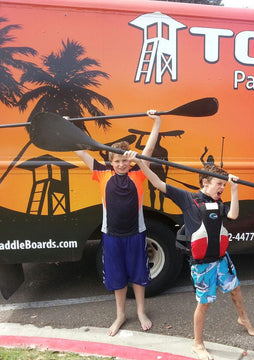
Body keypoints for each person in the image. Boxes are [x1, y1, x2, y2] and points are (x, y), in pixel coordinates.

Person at [131, 112, 254, 360]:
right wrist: (141, 163)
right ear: (204, 182)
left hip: (222, 260)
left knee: (236, 290)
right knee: (205, 303)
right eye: (218, 184)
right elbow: (157, 182)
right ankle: (197, 344)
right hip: (202, 266)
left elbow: (232, 215)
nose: (220, 188)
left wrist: (234, 188)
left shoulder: (218, 202)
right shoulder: (187, 198)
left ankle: (243, 318)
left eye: (222, 186)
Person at [74, 110, 161, 336]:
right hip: (111, 236)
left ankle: (141, 311)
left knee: (139, 275)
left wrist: (157, 122)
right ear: (111, 162)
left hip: (136, 234)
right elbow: (80, 151)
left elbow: (149, 151)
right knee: (117, 277)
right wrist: (67, 129)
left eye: (125, 160)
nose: (122, 164)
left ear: (130, 162)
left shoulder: (138, 175)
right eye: (118, 161)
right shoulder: (102, 174)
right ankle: (120, 314)